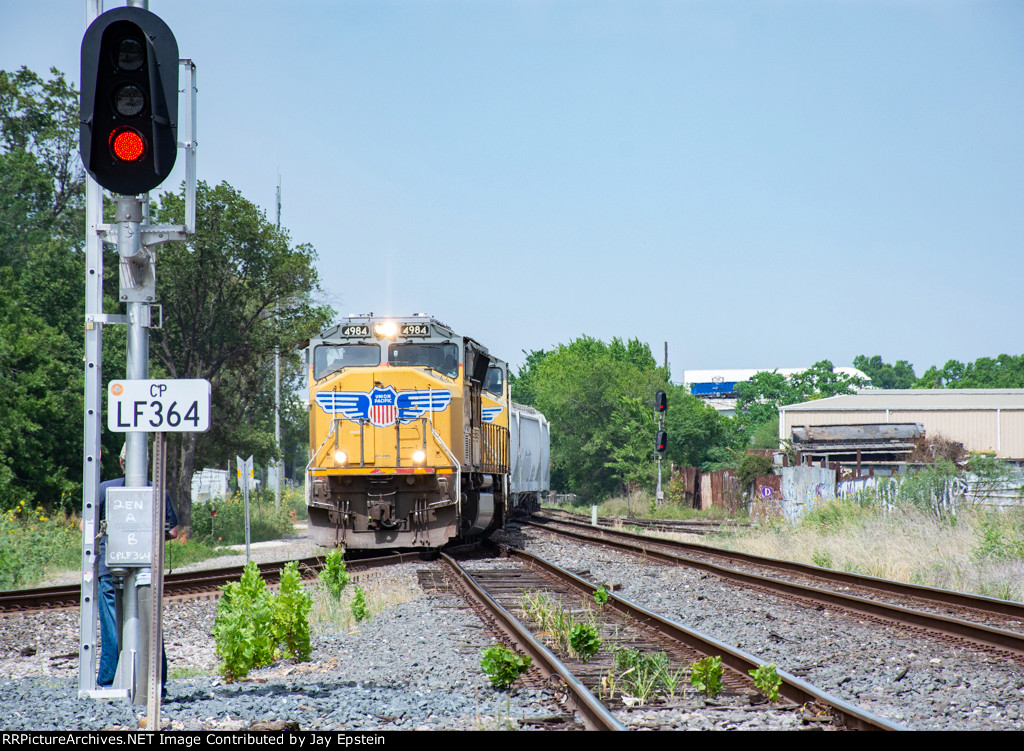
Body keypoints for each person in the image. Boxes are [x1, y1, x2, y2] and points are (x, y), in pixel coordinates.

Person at [96, 443, 179, 689]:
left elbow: (85, 527)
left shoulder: (104, 489)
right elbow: (173, 531)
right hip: (146, 566)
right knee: (150, 624)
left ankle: (110, 683)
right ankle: (156, 683)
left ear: (121, 463)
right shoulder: (157, 493)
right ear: (145, 464)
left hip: (110, 567)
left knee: (112, 627)